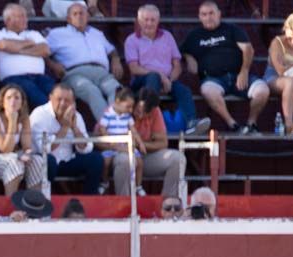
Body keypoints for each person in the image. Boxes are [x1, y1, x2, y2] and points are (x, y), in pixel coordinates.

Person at [180, 0, 268, 134]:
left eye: (211, 13)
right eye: (204, 14)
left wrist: (244, 71)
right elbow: (182, 51)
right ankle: (233, 125)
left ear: (219, 14)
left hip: (239, 77)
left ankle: (251, 124)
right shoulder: (194, 36)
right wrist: (188, 57)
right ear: (199, 17)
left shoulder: (232, 29)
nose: (208, 17)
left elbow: (248, 49)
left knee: (263, 90)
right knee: (207, 90)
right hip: (214, 80)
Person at [124, 4, 206, 136]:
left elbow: (177, 65)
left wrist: (169, 80)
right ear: (139, 21)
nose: (149, 23)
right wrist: (160, 77)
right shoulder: (132, 40)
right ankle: (149, 123)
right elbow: (134, 68)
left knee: (184, 91)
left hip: (167, 79)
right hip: (142, 81)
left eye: (153, 20)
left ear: (158, 21)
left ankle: (191, 124)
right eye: (146, 19)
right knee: (153, 78)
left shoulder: (167, 36)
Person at [45, 1, 122, 121]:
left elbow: (111, 50)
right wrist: (53, 65)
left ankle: (116, 125)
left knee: (117, 90)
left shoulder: (97, 33)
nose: (79, 16)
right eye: (75, 14)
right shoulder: (57, 34)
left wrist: (116, 59)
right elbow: (43, 52)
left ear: (88, 16)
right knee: (92, 91)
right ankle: (109, 129)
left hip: (102, 73)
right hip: (75, 74)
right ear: (68, 19)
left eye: (82, 13)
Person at [0, 84, 44, 195]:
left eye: (16, 98)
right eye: (9, 98)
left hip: (9, 156)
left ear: (22, 102)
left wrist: (27, 155)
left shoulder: (24, 119)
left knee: (37, 161)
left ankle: (34, 204)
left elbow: (27, 147)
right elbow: (5, 148)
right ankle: (10, 205)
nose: (12, 101)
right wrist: (12, 121)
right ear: (2, 102)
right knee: (14, 162)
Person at [112, 86, 184, 199]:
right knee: (126, 160)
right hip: (121, 153)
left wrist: (140, 145)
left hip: (145, 157)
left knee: (178, 159)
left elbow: (163, 143)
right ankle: (123, 204)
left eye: (145, 113)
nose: (140, 116)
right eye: (138, 111)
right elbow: (100, 137)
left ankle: (168, 206)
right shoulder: (122, 106)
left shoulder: (155, 111)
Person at [30, 82, 101, 195]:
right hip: (45, 162)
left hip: (66, 161)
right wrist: (64, 127)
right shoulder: (39, 114)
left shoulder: (76, 116)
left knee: (96, 160)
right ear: (50, 98)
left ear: (72, 102)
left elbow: (87, 148)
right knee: (48, 161)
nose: (63, 104)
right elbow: (43, 149)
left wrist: (75, 128)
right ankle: (46, 198)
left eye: (67, 100)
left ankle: (88, 201)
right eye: (59, 99)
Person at [0, 3, 54, 110]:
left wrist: (16, 50)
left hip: (40, 77)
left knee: (59, 95)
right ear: (8, 20)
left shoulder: (33, 33)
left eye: (25, 16)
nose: (25, 19)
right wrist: (28, 43)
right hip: (14, 79)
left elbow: (45, 50)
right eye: (20, 16)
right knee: (42, 101)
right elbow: (3, 45)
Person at [265, 13, 293, 136]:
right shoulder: (277, 43)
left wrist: (291, 65)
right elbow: (281, 70)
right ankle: (289, 125)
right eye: (289, 38)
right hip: (276, 78)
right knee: (291, 83)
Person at [95, 86, 138, 191]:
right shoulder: (107, 115)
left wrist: (137, 142)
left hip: (124, 147)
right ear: (118, 101)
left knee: (135, 161)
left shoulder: (128, 117)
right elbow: (101, 130)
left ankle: (137, 186)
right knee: (105, 162)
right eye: (128, 106)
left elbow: (133, 132)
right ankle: (104, 182)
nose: (130, 110)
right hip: (111, 146)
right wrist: (111, 142)